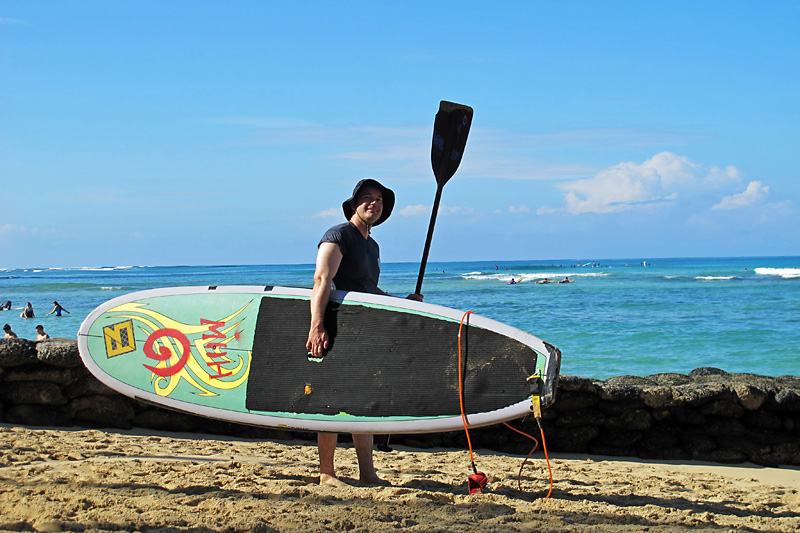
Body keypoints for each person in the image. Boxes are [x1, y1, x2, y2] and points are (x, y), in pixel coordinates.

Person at [306, 178, 422, 487]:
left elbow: (367, 290)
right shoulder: (338, 235)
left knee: (361, 401)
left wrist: (402, 303)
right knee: (331, 401)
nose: (374, 203)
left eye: (380, 200)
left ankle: (367, 473)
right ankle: (327, 474)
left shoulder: (372, 245)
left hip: (363, 330)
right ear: (354, 205)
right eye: (367, 198)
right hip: (337, 327)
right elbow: (321, 279)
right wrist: (317, 325)